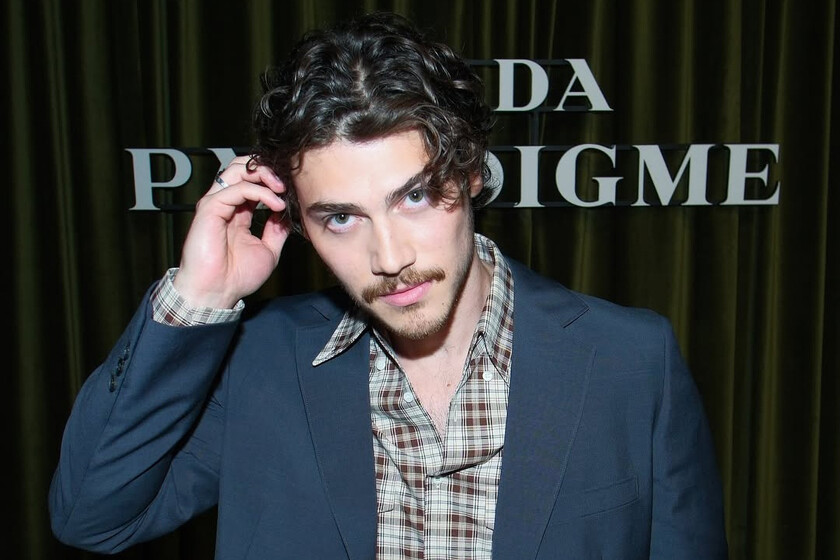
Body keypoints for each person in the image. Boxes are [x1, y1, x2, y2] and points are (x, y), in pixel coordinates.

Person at [49, 11, 728, 559]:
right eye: (342, 218)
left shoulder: (631, 361)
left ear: (470, 172)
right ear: (298, 224)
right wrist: (200, 298)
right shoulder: (257, 361)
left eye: (416, 196)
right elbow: (91, 518)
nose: (390, 256)